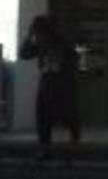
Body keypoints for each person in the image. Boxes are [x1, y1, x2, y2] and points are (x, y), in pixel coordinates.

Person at [19, 15, 81, 149]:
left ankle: (74, 138)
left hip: (62, 83)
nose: (37, 35)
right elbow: (24, 54)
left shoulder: (61, 42)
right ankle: (45, 145)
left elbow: (73, 58)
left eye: (38, 32)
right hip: (47, 82)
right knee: (43, 115)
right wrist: (29, 38)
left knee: (67, 112)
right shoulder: (40, 44)